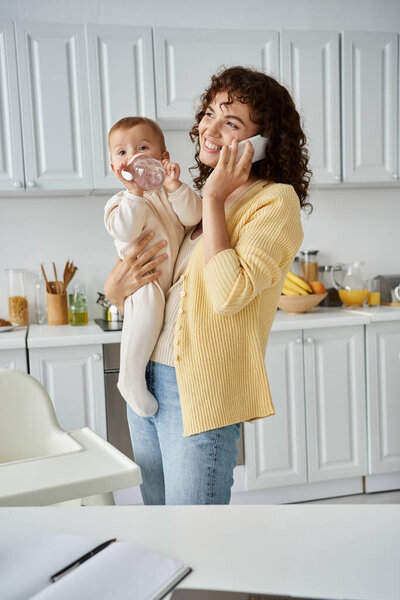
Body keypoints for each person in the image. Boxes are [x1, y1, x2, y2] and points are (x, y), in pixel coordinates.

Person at [104, 66, 312, 505]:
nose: (209, 129)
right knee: (158, 520)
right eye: (209, 114)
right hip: (148, 375)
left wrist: (215, 199)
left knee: (195, 534)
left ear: (263, 142)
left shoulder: (274, 201)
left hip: (199, 387)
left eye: (231, 122)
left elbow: (228, 293)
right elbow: (161, 288)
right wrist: (116, 289)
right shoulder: (197, 201)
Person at [105, 117, 202, 416]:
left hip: (166, 281)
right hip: (143, 281)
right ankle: (130, 379)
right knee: (146, 312)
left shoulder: (172, 194)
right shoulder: (119, 203)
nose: (132, 156)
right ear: (114, 168)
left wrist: (174, 186)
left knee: (153, 320)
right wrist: (135, 193)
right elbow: (126, 231)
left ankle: (135, 376)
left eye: (142, 147)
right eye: (121, 152)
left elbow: (193, 216)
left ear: (163, 158)